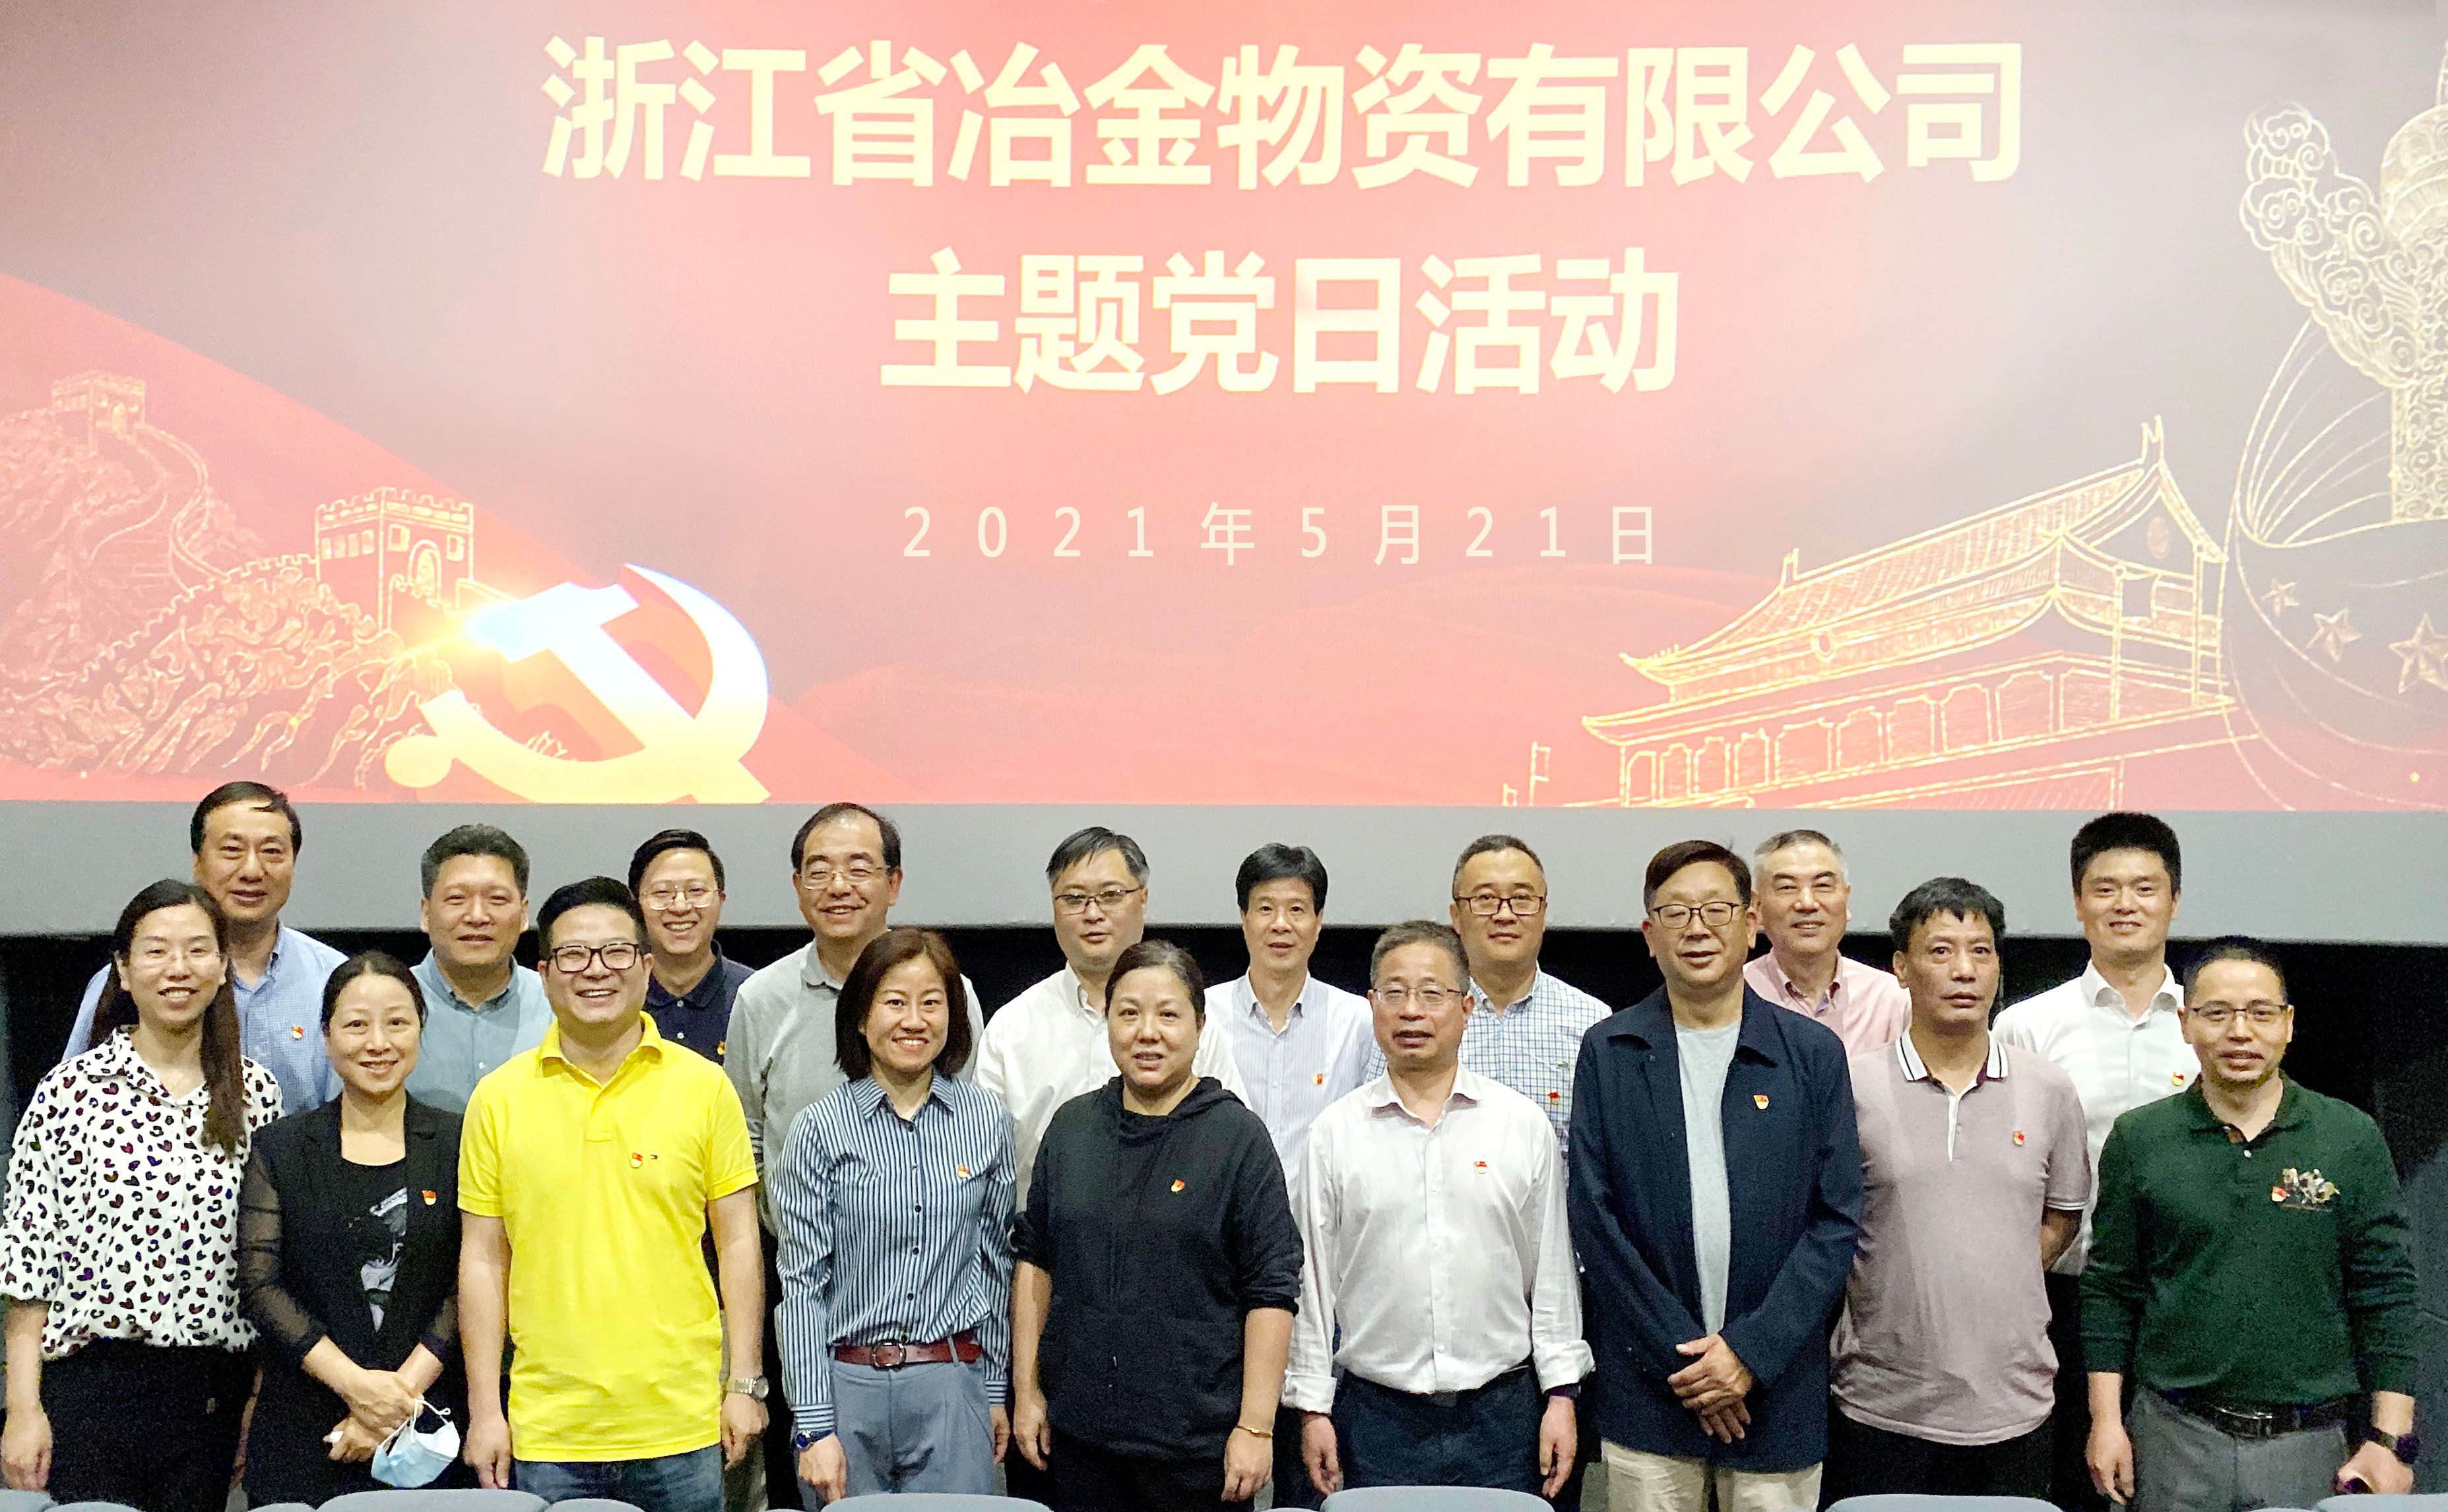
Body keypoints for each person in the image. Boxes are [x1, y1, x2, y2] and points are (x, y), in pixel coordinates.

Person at [1567, 840, 1862, 1512]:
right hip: (1651, 1389)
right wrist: (1693, 1366)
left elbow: (1836, 1219)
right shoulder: (1610, 1050)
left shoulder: (1811, 1053)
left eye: (1715, 910)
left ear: (1750, 923)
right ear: (1650, 935)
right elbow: (1593, 1216)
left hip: (1774, 1390)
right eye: (1676, 912)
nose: (1696, 929)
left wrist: (1748, 1355)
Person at [458, 879, 767, 1512]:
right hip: (550, 1431)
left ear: (647, 966)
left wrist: (744, 1384)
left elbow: (739, 1241)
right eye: (573, 955)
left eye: (616, 952)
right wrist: (486, 1409)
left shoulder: (704, 1087)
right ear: (544, 974)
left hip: (683, 1423)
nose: (596, 970)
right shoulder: (498, 1099)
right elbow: (484, 1261)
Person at [2083, 939, 2421, 1512]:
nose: (2239, 1032)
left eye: (2260, 1013)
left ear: (2288, 1024)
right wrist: (2106, 1422)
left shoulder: (2349, 1137)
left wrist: (2390, 1442)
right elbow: (2111, 1288)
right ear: (2186, 1023)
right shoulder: (2140, 1139)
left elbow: (2386, 1292)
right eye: (2216, 1013)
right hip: (2173, 1439)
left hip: (2311, 1444)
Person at [726, 803, 988, 1507]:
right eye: (819, 870)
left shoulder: (953, 996)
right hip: (810, 1297)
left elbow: (964, 1143)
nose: (838, 885)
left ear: (893, 883)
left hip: (936, 1321)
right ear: (796, 887)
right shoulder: (761, 998)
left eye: (859, 867)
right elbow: (745, 1144)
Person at [1, 880, 284, 1512]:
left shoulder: (257, 1095)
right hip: (92, 1387)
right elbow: (27, 1264)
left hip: (213, 1393)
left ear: (222, 967)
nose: (178, 968)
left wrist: (258, 1398)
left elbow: (270, 1265)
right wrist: (22, 1409)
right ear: (124, 972)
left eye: (197, 950)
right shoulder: (69, 1093)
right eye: (156, 951)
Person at [1289, 920, 1591, 1500]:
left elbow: (1553, 1275)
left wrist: (1561, 1396)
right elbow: (1313, 1284)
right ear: (1372, 1005)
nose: (1412, 1011)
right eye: (1394, 993)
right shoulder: (1335, 1134)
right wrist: (1312, 1408)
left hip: (1503, 1417)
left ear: (1466, 1008)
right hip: (1375, 1419)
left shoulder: (1519, 1125)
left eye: (1432, 994)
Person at [1010, 939, 1301, 1512]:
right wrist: (1028, 1390)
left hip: (1197, 1453)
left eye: (1168, 1015)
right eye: (1129, 1013)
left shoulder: (1238, 1139)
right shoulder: (1072, 1128)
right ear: (1108, 1021)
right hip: (1079, 1443)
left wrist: (1256, 1426)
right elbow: (1036, 1261)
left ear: (1199, 1026)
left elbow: (1271, 1290)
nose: (1148, 1033)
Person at [1823, 879, 2090, 1503]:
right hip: (1880, 1404)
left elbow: (2062, 1217)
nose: (1964, 970)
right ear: (1901, 968)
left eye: (1981, 951)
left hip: (2015, 1406)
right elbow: (1826, 1226)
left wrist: (1996, 1280)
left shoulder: (2049, 1089)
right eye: (1941, 951)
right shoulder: (1851, 1087)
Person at [1995, 811, 2198, 1512]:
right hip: (2064, 1297)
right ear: (2078, 903)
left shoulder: (2209, 1023)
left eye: (2144, 888)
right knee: (2072, 1486)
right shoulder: (2026, 1025)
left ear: (2174, 900)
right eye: (2105, 889)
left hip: (2182, 1295)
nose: (2124, 905)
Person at [773, 928, 1014, 1502]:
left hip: (952, 1382)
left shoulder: (987, 1120)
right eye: (895, 1002)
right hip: (846, 1386)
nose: (914, 1021)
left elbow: (994, 1263)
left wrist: (994, 1388)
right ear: (861, 1017)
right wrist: (814, 1425)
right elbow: (802, 1284)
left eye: (931, 1003)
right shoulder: (818, 1128)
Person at [238, 952, 470, 1505]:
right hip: (308, 1424)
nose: (378, 1043)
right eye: (357, 1025)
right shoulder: (281, 1148)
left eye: (397, 1022)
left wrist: (395, 1399)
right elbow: (259, 1285)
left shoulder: (459, 1141)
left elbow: (473, 1279)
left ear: (420, 1031)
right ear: (326, 1036)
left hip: (428, 1428)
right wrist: (357, 1388)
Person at [1205, 842, 1372, 1508]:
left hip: (1325, 1279)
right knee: (1223, 1475)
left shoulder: (1357, 1022)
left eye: (1297, 909)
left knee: (1312, 1480)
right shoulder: (1201, 1016)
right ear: (1242, 918)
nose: (1281, 924)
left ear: (1319, 921)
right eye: (1265, 908)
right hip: (1219, 1277)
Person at [978, 826, 1247, 1201]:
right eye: (1074, 898)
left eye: (1110, 896)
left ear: (1143, 899)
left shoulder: (1190, 1025)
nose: (1093, 913)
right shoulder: (1012, 1028)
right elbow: (982, 1166)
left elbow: (1233, 1145)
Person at [62, 782, 345, 1112]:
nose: (252, 871)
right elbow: (73, 1100)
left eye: (272, 852)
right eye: (232, 850)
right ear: (197, 862)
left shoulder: (334, 978)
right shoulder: (140, 980)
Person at [1438, 835, 1611, 1154]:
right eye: (1486, 898)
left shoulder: (1592, 1021)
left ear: (1543, 913)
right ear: (1456, 917)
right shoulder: (1424, 1018)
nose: (1505, 915)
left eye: (1522, 898)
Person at [405, 825, 552, 1114]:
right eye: (456, 899)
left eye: (497, 899)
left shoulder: (559, 1004)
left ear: (524, 914)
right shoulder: (387, 1005)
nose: (477, 916)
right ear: (426, 913)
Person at [1741, 831, 1910, 1058]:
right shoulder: (1736, 995)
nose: (1807, 903)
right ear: (1757, 905)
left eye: (1822, 885)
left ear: (1846, 900)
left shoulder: (1892, 999)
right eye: (1787, 887)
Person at [631, 828, 756, 1063]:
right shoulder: (616, 996)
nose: (680, 907)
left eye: (696, 891)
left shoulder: (755, 995)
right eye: (662, 892)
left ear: (720, 900)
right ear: (636, 906)